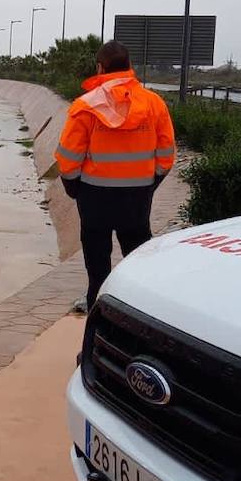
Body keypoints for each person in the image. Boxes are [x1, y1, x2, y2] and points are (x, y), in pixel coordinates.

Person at [55, 41, 176, 313]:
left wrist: (74, 188)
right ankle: (142, 309)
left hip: (94, 196)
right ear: (129, 66)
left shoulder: (85, 106)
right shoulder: (154, 103)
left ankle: (97, 307)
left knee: (97, 259)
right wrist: (149, 183)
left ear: (100, 67)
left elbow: (68, 158)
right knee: (138, 255)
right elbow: (166, 154)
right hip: (137, 196)